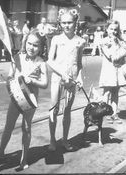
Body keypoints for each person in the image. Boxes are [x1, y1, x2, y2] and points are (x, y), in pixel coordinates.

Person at [0, 29, 48, 170]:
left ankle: (24, 158)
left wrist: (31, 81)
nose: (31, 47)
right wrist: (12, 81)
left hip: (30, 100)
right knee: (8, 127)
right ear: (24, 42)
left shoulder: (41, 63)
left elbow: (45, 84)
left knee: (26, 128)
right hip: (16, 98)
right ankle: (0, 153)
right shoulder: (17, 58)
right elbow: (9, 76)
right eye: (29, 43)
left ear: (40, 47)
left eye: (35, 45)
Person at [47, 8, 85, 151]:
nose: (67, 25)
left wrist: (80, 77)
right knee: (53, 109)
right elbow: (50, 61)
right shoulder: (56, 39)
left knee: (67, 110)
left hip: (72, 80)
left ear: (75, 22)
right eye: (64, 23)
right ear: (60, 24)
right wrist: (62, 73)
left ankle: (65, 139)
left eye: (70, 22)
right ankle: (52, 140)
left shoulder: (80, 41)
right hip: (58, 78)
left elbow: (79, 63)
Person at [98, 20, 126, 124]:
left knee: (115, 93)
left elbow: (125, 52)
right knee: (106, 92)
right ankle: (104, 113)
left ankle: (114, 113)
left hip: (118, 70)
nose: (113, 31)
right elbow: (112, 57)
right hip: (108, 70)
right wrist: (120, 50)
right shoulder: (104, 42)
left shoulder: (120, 41)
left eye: (115, 29)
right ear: (107, 29)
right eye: (111, 29)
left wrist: (119, 46)